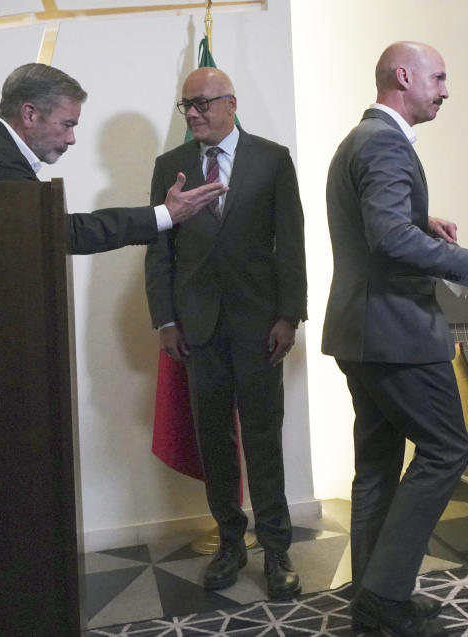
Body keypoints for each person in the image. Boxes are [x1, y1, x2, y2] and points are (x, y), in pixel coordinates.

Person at [322, 42, 468, 637]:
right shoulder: (384, 142)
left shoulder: (360, 139)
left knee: (376, 466)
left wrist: (417, 218)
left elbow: (379, 225)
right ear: (404, 76)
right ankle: (384, 596)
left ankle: (374, 602)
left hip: (360, 331)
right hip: (397, 334)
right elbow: (389, 241)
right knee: (446, 451)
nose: (446, 90)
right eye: (440, 77)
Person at [144, 67, 307, 600]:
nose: (193, 113)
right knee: (214, 438)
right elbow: (159, 252)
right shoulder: (169, 167)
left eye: (203, 103)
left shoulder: (272, 158)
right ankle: (230, 542)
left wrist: (290, 315)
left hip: (261, 326)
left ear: (231, 104)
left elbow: (291, 243)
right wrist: (165, 320)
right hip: (198, 329)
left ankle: (277, 546)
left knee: (263, 437)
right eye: (185, 106)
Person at [0, 62, 225, 254]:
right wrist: (166, 213)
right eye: (67, 125)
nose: (71, 139)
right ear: (30, 114)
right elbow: (62, 233)